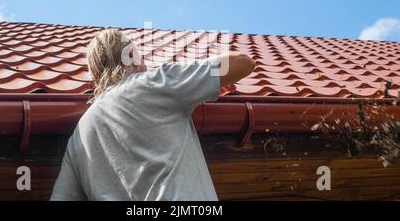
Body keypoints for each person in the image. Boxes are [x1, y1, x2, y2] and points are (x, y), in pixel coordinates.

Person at [51, 29, 255, 201]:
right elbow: (243, 63)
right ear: (130, 54)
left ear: (94, 75)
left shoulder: (78, 138)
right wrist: (194, 75)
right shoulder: (155, 83)